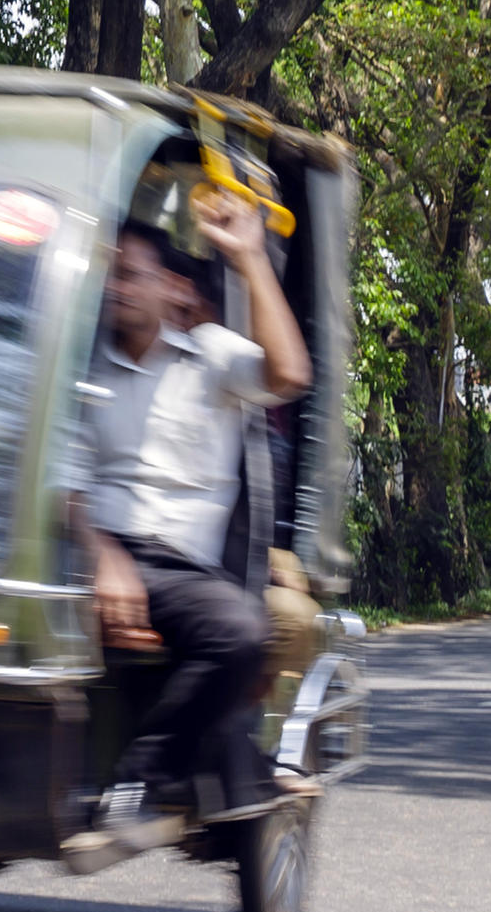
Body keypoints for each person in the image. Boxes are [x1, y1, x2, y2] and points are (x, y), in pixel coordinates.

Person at [75, 179, 313, 828]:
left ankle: (139, 776)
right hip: (86, 552)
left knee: (243, 634)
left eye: (130, 275)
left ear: (168, 288)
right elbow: (59, 480)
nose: (117, 288)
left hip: (180, 570)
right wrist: (102, 556)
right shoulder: (79, 363)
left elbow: (290, 374)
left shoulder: (210, 356)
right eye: (109, 276)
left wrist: (249, 256)